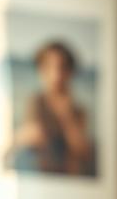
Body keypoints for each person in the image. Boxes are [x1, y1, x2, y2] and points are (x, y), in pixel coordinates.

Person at [8, 40, 94, 176]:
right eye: (48, 67)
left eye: (62, 68)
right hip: (40, 174)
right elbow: (26, 138)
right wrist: (22, 137)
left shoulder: (78, 110)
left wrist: (66, 114)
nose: (56, 75)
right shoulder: (36, 102)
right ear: (40, 70)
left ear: (70, 72)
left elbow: (83, 152)